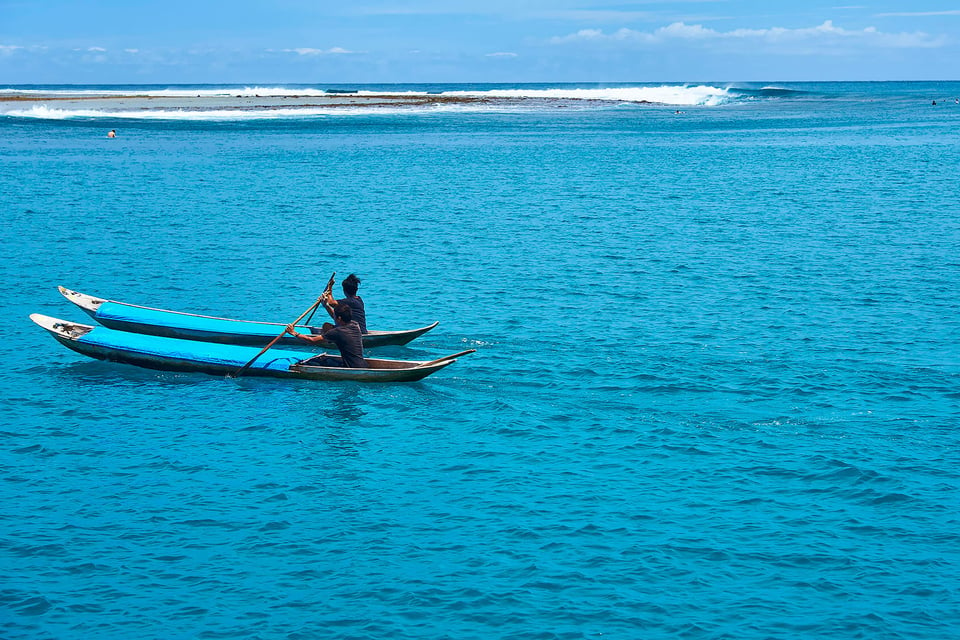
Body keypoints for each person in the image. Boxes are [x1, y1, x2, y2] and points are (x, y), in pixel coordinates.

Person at [286, 302, 367, 368]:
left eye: (335, 316)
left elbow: (312, 341)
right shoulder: (355, 325)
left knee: (312, 363)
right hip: (363, 365)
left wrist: (294, 333)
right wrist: (326, 305)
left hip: (351, 367)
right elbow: (336, 317)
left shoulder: (337, 332)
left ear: (339, 318)